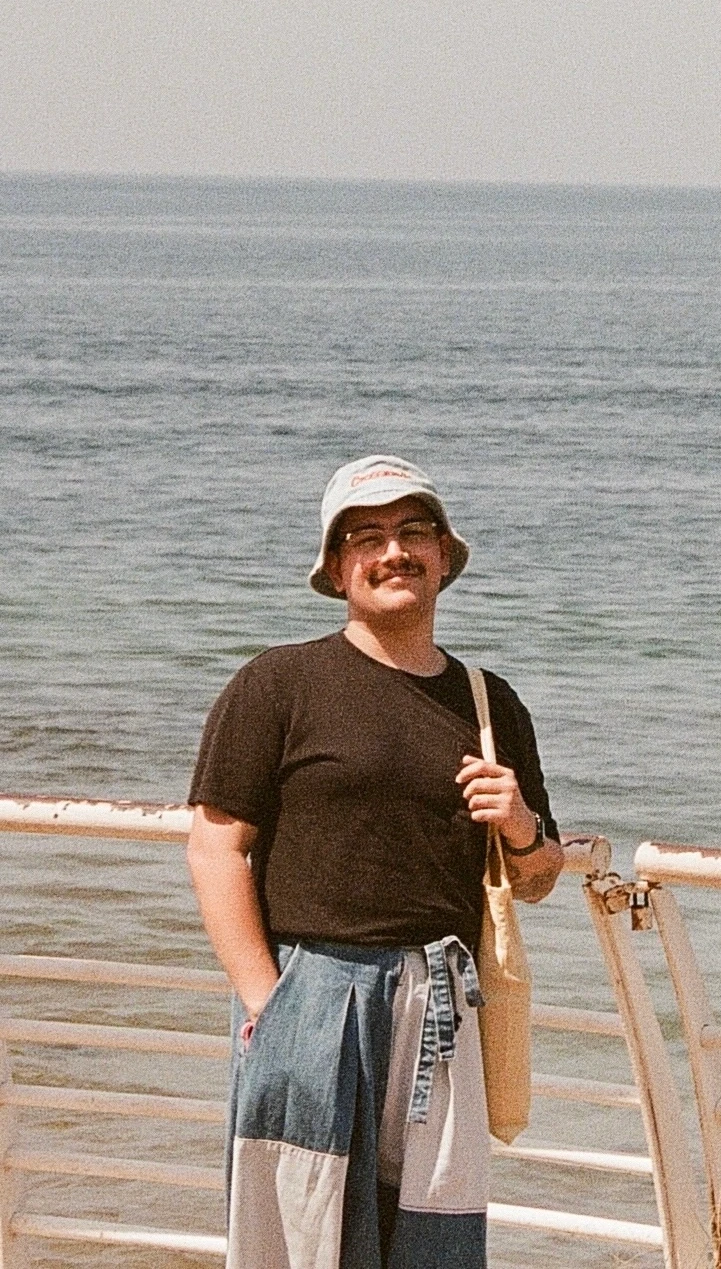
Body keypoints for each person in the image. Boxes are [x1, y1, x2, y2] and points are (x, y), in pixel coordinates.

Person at [187, 454, 564, 1269]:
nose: (393, 551)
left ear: (443, 556)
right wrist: (267, 1001)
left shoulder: (487, 701)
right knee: (294, 1238)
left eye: (412, 532)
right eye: (367, 537)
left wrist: (523, 826)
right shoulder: (278, 683)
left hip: (442, 996)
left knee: (436, 1242)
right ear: (336, 568)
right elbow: (216, 847)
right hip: (310, 989)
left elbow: (537, 881)